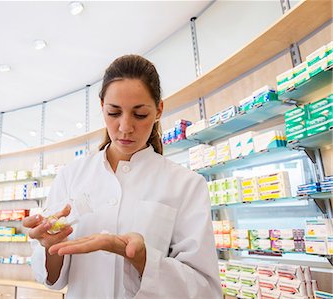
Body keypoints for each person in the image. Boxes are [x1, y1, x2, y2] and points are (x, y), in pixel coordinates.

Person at [23, 54, 222, 299]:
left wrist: (143, 259)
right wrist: (49, 244)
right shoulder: (71, 175)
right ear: (101, 107)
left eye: (140, 114)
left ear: (159, 110)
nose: (125, 127)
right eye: (114, 113)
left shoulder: (187, 184)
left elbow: (205, 290)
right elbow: (53, 280)